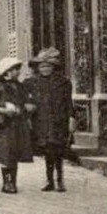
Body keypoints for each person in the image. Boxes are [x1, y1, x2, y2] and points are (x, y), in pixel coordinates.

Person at [28, 47, 74, 192]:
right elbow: (23, 97)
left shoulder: (63, 82)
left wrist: (71, 118)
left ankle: (60, 179)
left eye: (48, 66)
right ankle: (49, 181)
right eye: (42, 66)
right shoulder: (32, 83)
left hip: (58, 120)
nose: (45, 69)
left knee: (58, 150)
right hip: (41, 121)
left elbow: (68, 102)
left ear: (53, 67)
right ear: (38, 68)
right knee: (47, 151)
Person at [0, 57, 32, 193]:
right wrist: (3, 110)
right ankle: (7, 182)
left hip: (17, 124)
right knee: (4, 153)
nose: (18, 72)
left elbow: (25, 103)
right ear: (7, 71)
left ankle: (13, 181)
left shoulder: (20, 87)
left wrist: (23, 108)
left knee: (14, 153)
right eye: (15, 69)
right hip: (2, 125)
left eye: (18, 69)